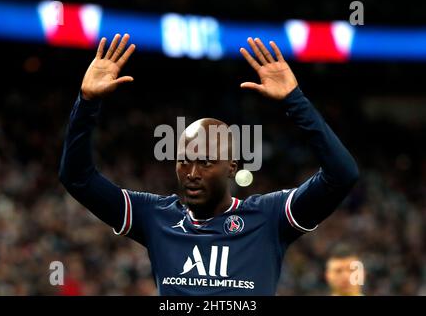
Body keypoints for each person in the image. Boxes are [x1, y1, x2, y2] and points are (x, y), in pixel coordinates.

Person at [59, 33, 359, 295]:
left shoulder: (269, 218)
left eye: (205, 162)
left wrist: (295, 100)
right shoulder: (153, 217)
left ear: (232, 166)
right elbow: (77, 178)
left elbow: (342, 174)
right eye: (183, 161)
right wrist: (86, 103)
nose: (191, 173)